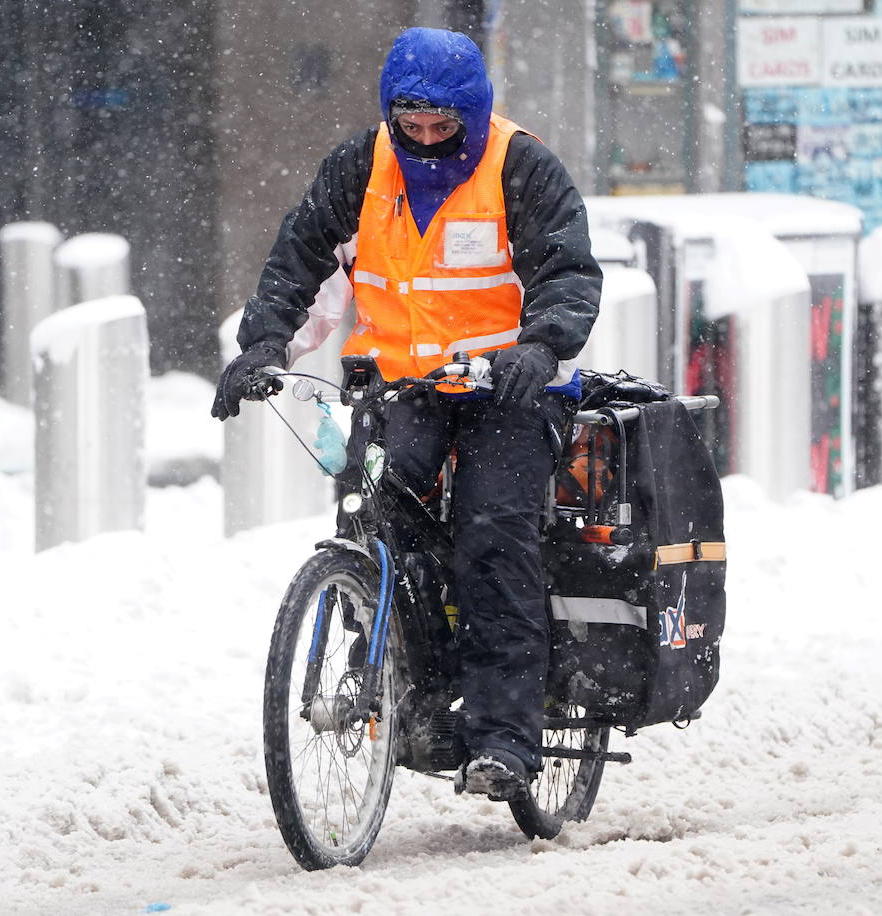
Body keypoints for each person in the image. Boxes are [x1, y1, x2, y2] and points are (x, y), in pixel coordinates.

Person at [211, 27, 601, 801]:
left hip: (503, 392)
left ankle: (504, 739)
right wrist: (263, 346)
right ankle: (398, 683)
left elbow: (566, 269)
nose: (425, 139)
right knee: (373, 520)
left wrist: (539, 348)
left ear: (473, 115)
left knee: (493, 539)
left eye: (441, 126)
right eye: (411, 124)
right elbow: (301, 258)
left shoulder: (518, 165)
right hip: (401, 387)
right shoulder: (361, 167)